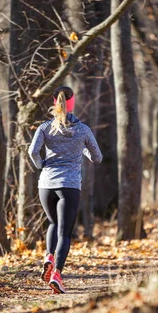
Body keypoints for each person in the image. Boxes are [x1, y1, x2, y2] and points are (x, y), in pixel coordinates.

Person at [28, 86, 103, 293]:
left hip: (46, 185)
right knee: (65, 233)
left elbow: (32, 151)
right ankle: (57, 274)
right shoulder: (83, 130)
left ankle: (49, 256)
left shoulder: (45, 128)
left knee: (52, 222)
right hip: (69, 186)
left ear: (54, 102)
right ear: (73, 103)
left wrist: (41, 165)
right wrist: (83, 148)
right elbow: (97, 157)